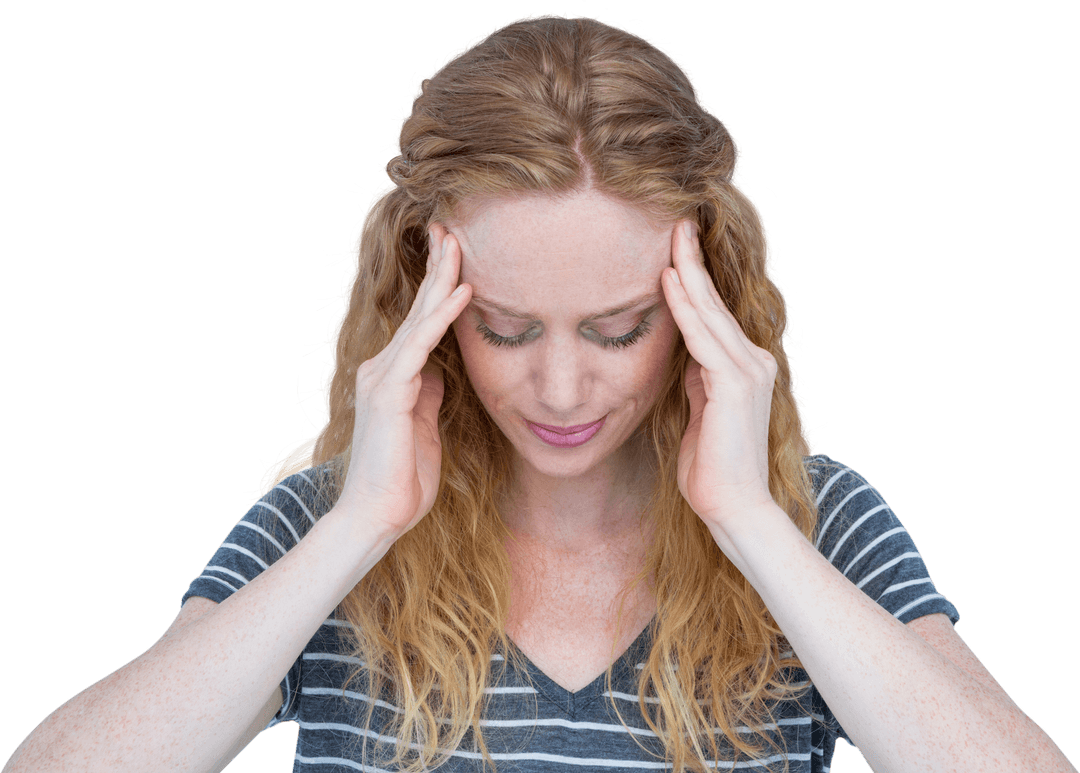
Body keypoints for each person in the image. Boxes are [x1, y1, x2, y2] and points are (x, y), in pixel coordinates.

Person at [3, 12, 1075, 773]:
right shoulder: (320, 526)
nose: (561, 387)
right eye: (505, 328)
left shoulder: (816, 522)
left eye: (619, 328)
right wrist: (359, 527)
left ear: (703, 303)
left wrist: (750, 522)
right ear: (429, 304)